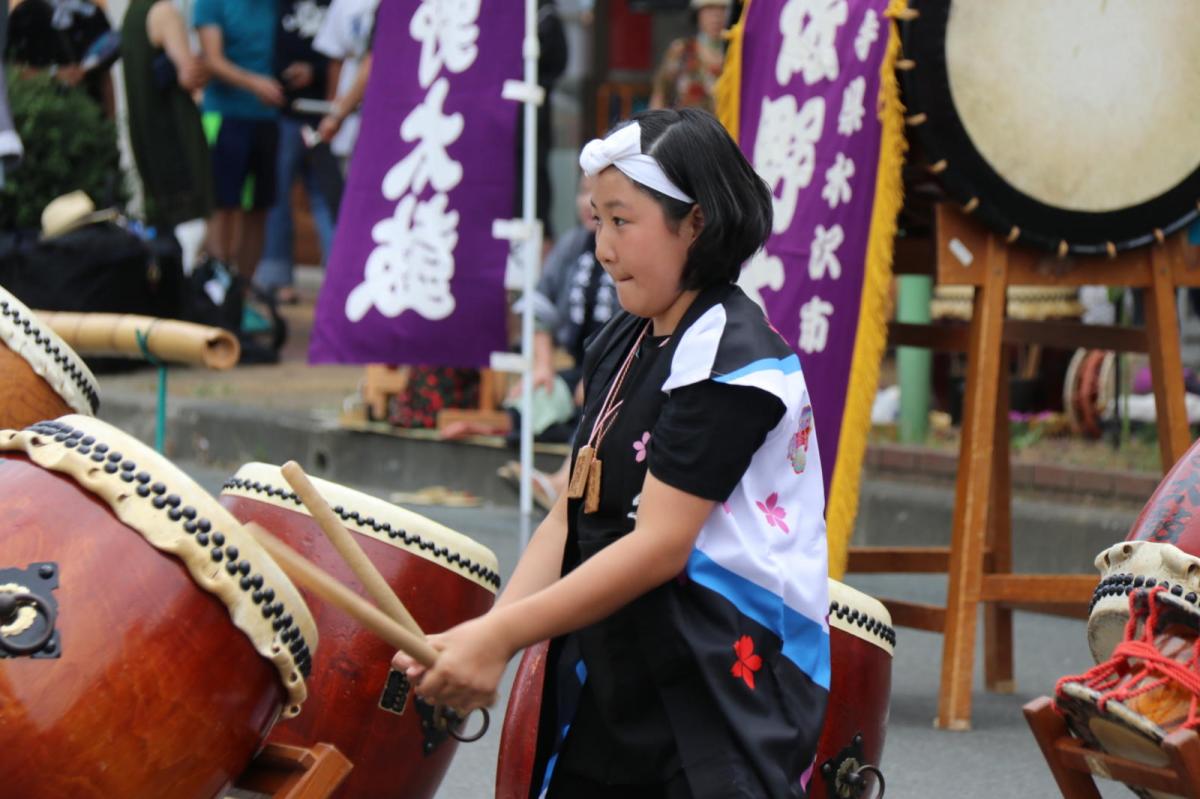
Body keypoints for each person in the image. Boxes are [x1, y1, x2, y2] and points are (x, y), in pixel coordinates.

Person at [395, 108, 830, 798]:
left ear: (697, 222)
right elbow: (566, 516)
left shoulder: (732, 359)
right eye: (597, 220)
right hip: (619, 668)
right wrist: (486, 637)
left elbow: (659, 544)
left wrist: (501, 637)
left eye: (622, 221)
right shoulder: (624, 341)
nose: (602, 247)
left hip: (711, 691)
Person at [193, 0, 282, 280]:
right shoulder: (210, 3)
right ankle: (219, 292)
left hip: (266, 118)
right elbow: (212, 59)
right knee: (221, 207)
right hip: (224, 115)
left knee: (258, 209)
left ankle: (242, 295)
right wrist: (256, 84)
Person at [256, 0, 335, 304]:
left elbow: (342, 51)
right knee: (277, 196)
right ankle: (276, 278)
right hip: (283, 112)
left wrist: (313, 72)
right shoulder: (277, 6)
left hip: (326, 114)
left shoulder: (334, 5)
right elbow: (266, 48)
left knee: (327, 197)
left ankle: (336, 274)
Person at [120, 0, 213, 232]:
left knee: (164, 226)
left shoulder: (132, 13)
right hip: (174, 132)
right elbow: (188, 75)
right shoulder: (164, 13)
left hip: (145, 132)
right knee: (192, 226)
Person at [5, 0, 114, 110]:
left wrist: (111, 122)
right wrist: (53, 75)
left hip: (92, 116)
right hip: (44, 114)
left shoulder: (92, 12)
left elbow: (104, 76)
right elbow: (13, 72)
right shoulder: (25, 13)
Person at [312, 0, 376, 173]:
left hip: (383, 104)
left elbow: (373, 63)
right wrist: (333, 110)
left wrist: (337, 114)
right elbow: (336, 58)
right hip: (350, 95)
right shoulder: (344, 3)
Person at [649, 0, 730, 113]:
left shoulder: (736, 55)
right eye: (709, 9)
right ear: (697, 14)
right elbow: (660, 94)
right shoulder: (682, 50)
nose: (716, 16)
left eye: (722, 9)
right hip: (685, 128)